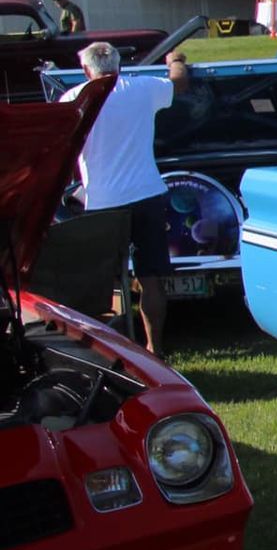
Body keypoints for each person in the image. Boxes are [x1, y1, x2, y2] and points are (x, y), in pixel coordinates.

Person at [58, 42, 191, 359]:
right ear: (118, 66)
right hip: (147, 194)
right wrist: (177, 59)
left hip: (103, 201)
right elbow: (179, 83)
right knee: (151, 278)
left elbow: (64, 149)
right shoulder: (142, 88)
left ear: (87, 70)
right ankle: (155, 349)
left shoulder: (73, 98)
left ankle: (105, 352)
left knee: (101, 282)